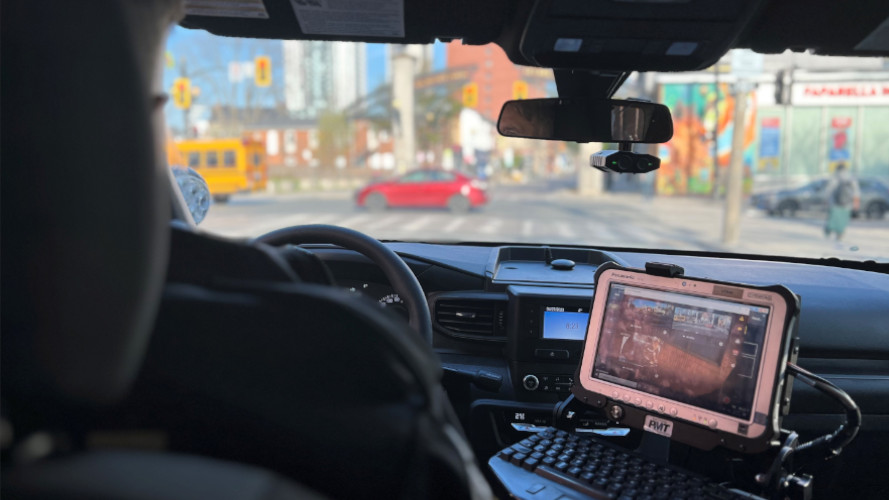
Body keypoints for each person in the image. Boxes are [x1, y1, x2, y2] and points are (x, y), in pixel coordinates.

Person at [824, 163, 860, 241]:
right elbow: (856, 192)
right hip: (847, 204)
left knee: (833, 218)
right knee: (843, 220)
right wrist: (856, 203)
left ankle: (829, 230)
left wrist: (826, 199)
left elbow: (829, 189)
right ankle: (840, 233)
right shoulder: (851, 178)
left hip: (835, 203)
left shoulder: (835, 177)